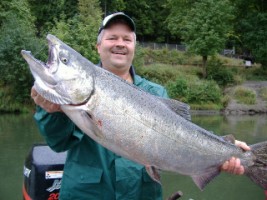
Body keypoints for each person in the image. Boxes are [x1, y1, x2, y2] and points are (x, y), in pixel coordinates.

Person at [31, 12, 250, 200]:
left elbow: (185, 137)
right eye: (112, 38)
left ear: (134, 47)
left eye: (127, 39)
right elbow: (58, 142)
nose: (120, 43)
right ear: (98, 46)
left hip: (140, 193)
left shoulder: (156, 93)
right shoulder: (69, 100)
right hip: (86, 193)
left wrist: (224, 148)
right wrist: (51, 112)